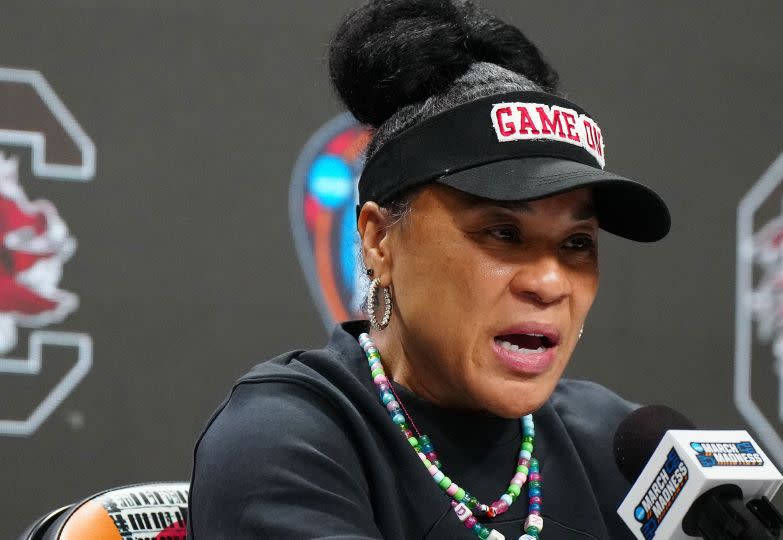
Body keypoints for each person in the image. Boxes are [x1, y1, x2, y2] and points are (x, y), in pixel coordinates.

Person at [187, 0, 670, 538]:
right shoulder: (285, 438)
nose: (550, 283)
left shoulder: (619, 445)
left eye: (578, 243)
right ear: (379, 240)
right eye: (504, 234)